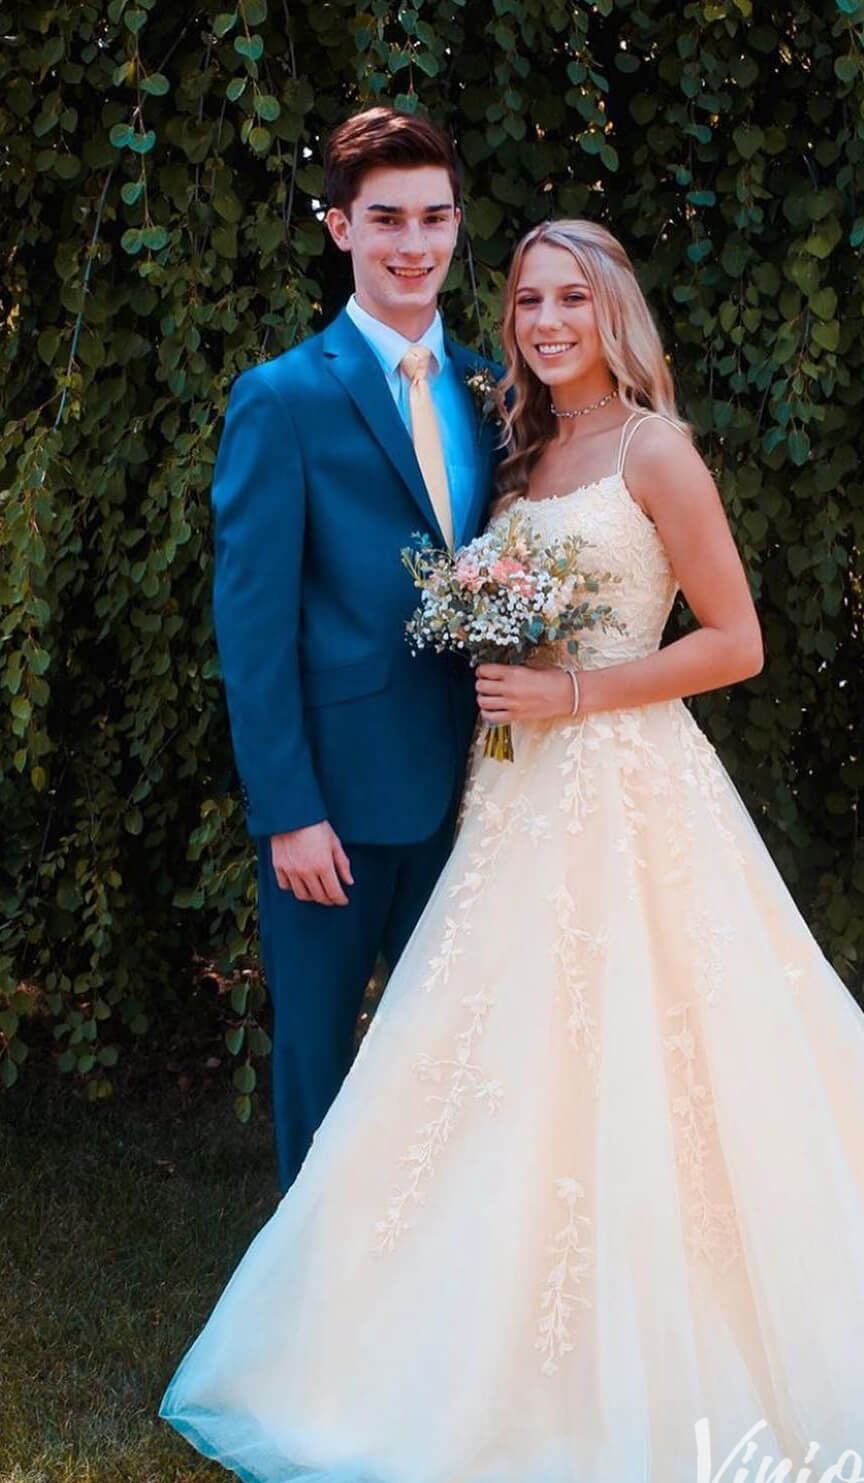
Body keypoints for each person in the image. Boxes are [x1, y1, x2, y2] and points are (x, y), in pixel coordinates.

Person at [162, 219, 864, 1483]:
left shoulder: (653, 449)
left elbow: (736, 641)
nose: (546, 321)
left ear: (614, 313)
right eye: (527, 299)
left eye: (571, 298)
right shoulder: (519, 449)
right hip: (517, 799)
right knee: (497, 1065)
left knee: (671, 1059)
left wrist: (574, 690)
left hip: (627, 784)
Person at [210, 107, 501, 1192]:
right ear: (340, 228)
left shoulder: (493, 390)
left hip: (481, 793)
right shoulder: (282, 398)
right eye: (386, 219)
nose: (412, 244)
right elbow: (252, 626)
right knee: (319, 1064)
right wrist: (288, 810)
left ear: (457, 224)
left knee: (463, 1064)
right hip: (331, 808)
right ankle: (310, 1278)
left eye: (433, 217)